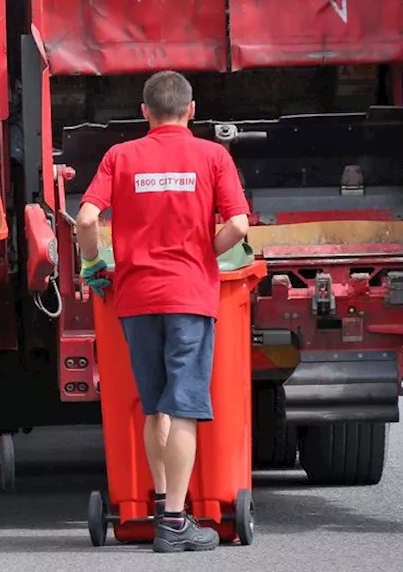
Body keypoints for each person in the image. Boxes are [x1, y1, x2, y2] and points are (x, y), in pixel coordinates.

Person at [74, 71, 250, 553]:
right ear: (191, 110)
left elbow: (86, 219)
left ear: (145, 111)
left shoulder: (121, 156)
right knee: (185, 407)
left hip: (136, 297)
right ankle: (175, 520)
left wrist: (93, 263)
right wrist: (204, 253)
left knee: (155, 407)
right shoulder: (212, 155)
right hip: (189, 297)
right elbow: (237, 223)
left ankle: (160, 508)